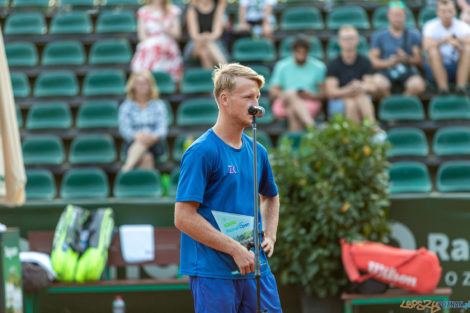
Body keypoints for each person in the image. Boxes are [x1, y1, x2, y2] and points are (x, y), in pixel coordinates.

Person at [174, 63, 282, 313]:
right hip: (214, 273)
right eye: (248, 97)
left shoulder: (258, 150)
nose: (256, 104)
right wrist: (234, 248)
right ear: (224, 99)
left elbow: (270, 197)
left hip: (255, 268)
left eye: (257, 97)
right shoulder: (201, 151)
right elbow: (183, 217)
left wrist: (270, 234)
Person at [269, 35, 325, 131]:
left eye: (304, 52)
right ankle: (312, 126)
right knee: (291, 94)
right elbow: (273, 91)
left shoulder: (318, 67)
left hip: (309, 102)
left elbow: (323, 93)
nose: (301, 55)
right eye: (298, 52)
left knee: (292, 110)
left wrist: (310, 95)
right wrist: (288, 95)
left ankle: (296, 144)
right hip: (284, 101)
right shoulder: (282, 66)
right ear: (293, 51)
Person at [370, 1, 426, 97]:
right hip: (386, 71)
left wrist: (406, 59)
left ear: (405, 16)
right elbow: (373, 61)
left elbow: (418, 59)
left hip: (408, 71)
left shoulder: (413, 35)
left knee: (418, 85)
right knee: (377, 84)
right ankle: (390, 105)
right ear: (388, 16)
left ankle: (403, 104)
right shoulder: (379, 35)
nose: (397, 18)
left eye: (400, 15)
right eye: (394, 15)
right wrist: (389, 62)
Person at [325, 25, 377, 123]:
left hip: (360, 97)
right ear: (339, 42)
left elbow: (371, 86)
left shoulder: (365, 62)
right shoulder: (333, 64)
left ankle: (370, 128)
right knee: (351, 103)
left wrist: (359, 86)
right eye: (345, 39)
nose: (348, 42)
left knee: (361, 98)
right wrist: (348, 89)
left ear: (357, 40)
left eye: (351, 38)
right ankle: (370, 129)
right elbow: (331, 92)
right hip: (340, 100)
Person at [119, 71, 168, 172]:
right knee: (146, 157)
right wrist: (136, 136)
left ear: (150, 85)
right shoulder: (126, 106)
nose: (141, 86)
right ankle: (148, 187)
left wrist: (151, 137)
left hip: (155, 143)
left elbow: (162, 129)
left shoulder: (158, 105)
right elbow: (124, 129)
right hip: (132, 142)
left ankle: (126, 168)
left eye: (145, 83)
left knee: (143, 144)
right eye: (138, 83)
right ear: (132, 86)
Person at [423, 0, 470, 95]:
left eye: (450, 11)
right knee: (433, 51)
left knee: (468, 49)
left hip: (458, 67)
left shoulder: (463, 26)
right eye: (443, 11)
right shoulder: (430, 26)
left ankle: (461, 87)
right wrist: (443, 41)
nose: (447, 15)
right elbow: (426, 46)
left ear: (455, 12)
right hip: (436, 69)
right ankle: (443, 88)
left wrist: (457, 43)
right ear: (438, 12)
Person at [131, 0, 183, 82]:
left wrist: (164, 27)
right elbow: (142, 36)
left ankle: (168, 80)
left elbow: (177, 35)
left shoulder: (172, 10)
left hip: (168, 42)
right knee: (151, 48)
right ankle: (148, 80)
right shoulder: (143, 11)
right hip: (149, 43)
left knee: (165, 48)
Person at [185, 0, 228, 69]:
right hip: (195, 44)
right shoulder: (192, 9)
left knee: (204, 52)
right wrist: (205, 37)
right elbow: (193, 34)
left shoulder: (218, 8)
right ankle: (227, 69)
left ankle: (212, 78)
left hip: (213, 42)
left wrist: (207, 37)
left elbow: (217, 33)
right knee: (208, 44)